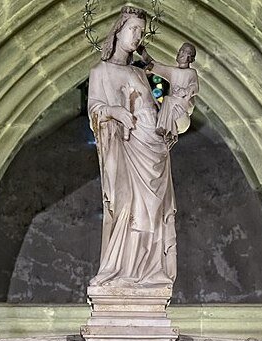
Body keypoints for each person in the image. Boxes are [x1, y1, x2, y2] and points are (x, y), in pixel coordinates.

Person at [87, 6, 176, 288]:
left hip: (151, 148)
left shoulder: (140, 74)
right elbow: (95, 108)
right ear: (118, 31)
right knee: (125, 203)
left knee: (153, 211)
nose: (137, 36)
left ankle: (148, 272)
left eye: (141, 31)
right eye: (132, 29)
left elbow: (153, 106)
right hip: (123, 146)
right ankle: (118, 270)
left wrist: (167, 127)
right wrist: (114, 111)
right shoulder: (100, 71)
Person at [140, 43, 199, 145]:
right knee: (166, 100)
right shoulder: (172, 71)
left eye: (186, 52)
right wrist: (141, 51)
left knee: (168, 99)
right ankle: (163, 131)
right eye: (181, 50)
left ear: (191, 58)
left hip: (182, 108)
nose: (181, 53)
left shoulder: (191, 72)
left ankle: (166, 130)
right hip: (172, 105)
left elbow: (195, 87)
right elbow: (155, 65)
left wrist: (185, 91)